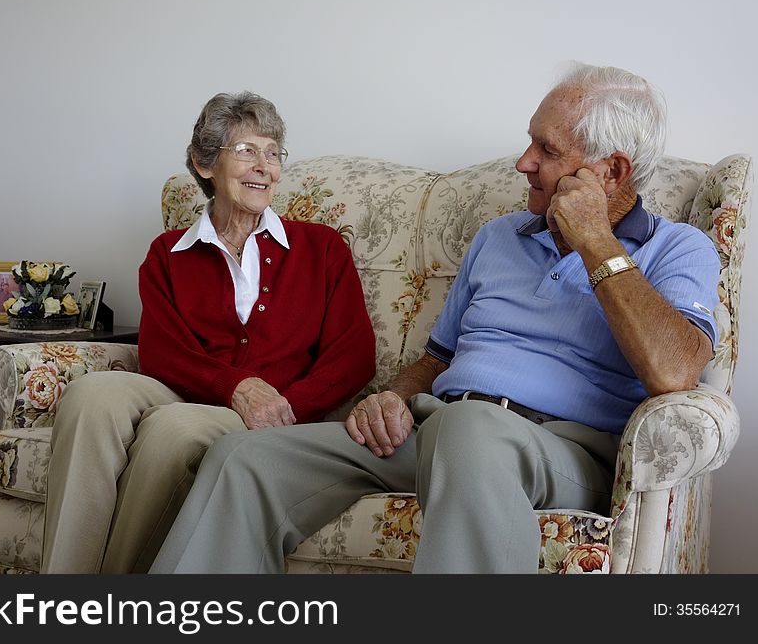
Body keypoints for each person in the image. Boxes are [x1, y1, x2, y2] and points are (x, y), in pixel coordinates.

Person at [149, 63, 721, 574]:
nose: (524, 163)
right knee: (242, 458)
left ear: (612, 172)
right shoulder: (499, 237)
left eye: (545, 151)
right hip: (438, 426)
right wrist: (394, 397)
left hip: (560, 449)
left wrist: (596, 242)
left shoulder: (679, 248)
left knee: (472, 429)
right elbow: (437, 358)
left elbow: (674, 373)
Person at [41, 91, 376, 573]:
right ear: (204, 164)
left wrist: (285, 408)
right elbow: (160, 352)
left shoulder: (321, 248)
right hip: (183, 391)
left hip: (266, 412)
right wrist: (233, 386)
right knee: (89, 395)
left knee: (170, 431)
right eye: (245, 150)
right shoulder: (167, 253)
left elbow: (354, 355)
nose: (263, 165)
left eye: (273, 152)